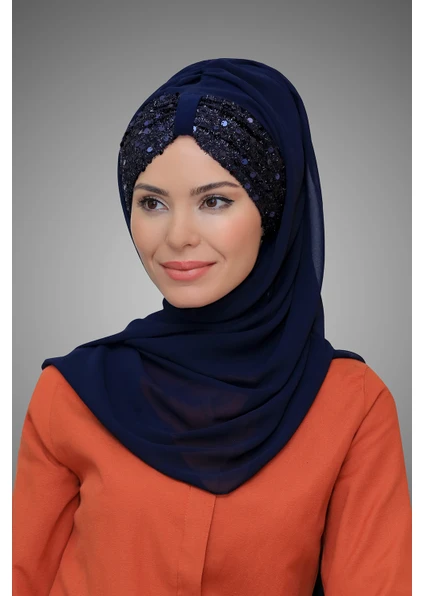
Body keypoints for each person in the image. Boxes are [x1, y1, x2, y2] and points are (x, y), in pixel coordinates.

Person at [12, 58, 412, 595]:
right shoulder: (71, 393)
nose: (178, 235)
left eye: (215, 200)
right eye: (152, 202)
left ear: (273, 213)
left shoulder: (351, 406)